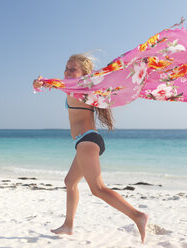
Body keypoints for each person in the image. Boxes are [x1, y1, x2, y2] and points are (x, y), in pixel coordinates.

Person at [33, 54, 148, 243]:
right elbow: (54, 84)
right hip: (84, 142)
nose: (68, 72)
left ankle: (137, 216)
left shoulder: (82, 87)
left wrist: (42, 83)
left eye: (73, 69)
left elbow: (55, 84)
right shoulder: (74, 88)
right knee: (70, 182)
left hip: (88, 141)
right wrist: (40, 83)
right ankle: (68, 225)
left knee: (98, 188)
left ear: (84, 74)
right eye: (66, 68)